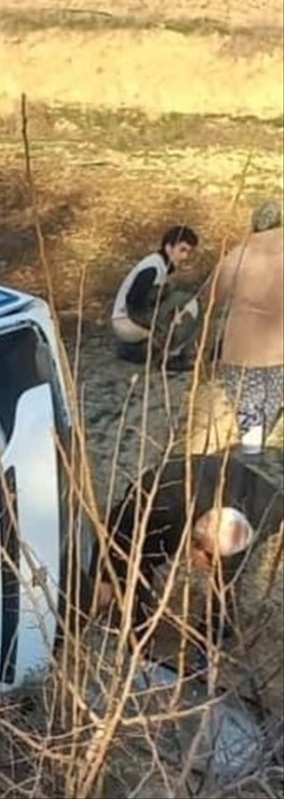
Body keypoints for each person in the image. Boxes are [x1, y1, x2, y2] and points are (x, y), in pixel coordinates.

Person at [90, 453, 283, 663]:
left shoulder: (268, 509)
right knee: (140, 562)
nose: (210, 566)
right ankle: (137, 633)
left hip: (231, 500)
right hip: (175, 497)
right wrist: (103, 575)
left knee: (228, 578)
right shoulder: (158, 502)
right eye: (209, 558)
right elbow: (116, 527)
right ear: (194, 545)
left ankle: (211, 639)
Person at [206, 201, 284, 455]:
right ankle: (258, 450)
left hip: (242, 348)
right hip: (280, 347)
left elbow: (212, 297)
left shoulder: (238, 255)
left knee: (249, 409)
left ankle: (251, 457)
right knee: (271, 404)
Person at [111, 225, 202, 372]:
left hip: (126, 319)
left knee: (175, 302)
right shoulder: (153, 268)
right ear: (169, 247)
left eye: (188, 252)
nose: (185, 257)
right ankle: (171, 356)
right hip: (128, 319)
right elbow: (134, 300)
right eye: (182, 250)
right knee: (188, 302)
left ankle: (136, 351)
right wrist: (158, 324)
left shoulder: (158, 264)